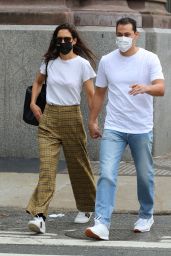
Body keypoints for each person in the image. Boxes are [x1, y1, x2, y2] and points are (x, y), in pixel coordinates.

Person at [85, 17, 165, 241]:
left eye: (127, 34)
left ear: (136, 35)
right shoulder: (107, 61)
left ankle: (146, 215)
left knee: (144, 175)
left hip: (140, 127)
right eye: (119, 34)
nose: (122, 38)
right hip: (114, 127)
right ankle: (101, 223)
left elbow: (161, 88)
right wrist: (92, 120)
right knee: (107, 174)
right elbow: (99, 93)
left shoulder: (149, 58)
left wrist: (146, 87)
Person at [26, 23, 96, 234]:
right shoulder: (48, 63)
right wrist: (33, 103)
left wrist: (94, 121)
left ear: (74, 40)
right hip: (49, 119)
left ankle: (88, 207)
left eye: (67, 39)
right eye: (60, 39)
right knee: (47, 169)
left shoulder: (82, 64)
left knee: (79, 165)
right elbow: (38, 82)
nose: (63, 43)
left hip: (72, 116)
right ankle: (39, 216)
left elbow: (91, 95)